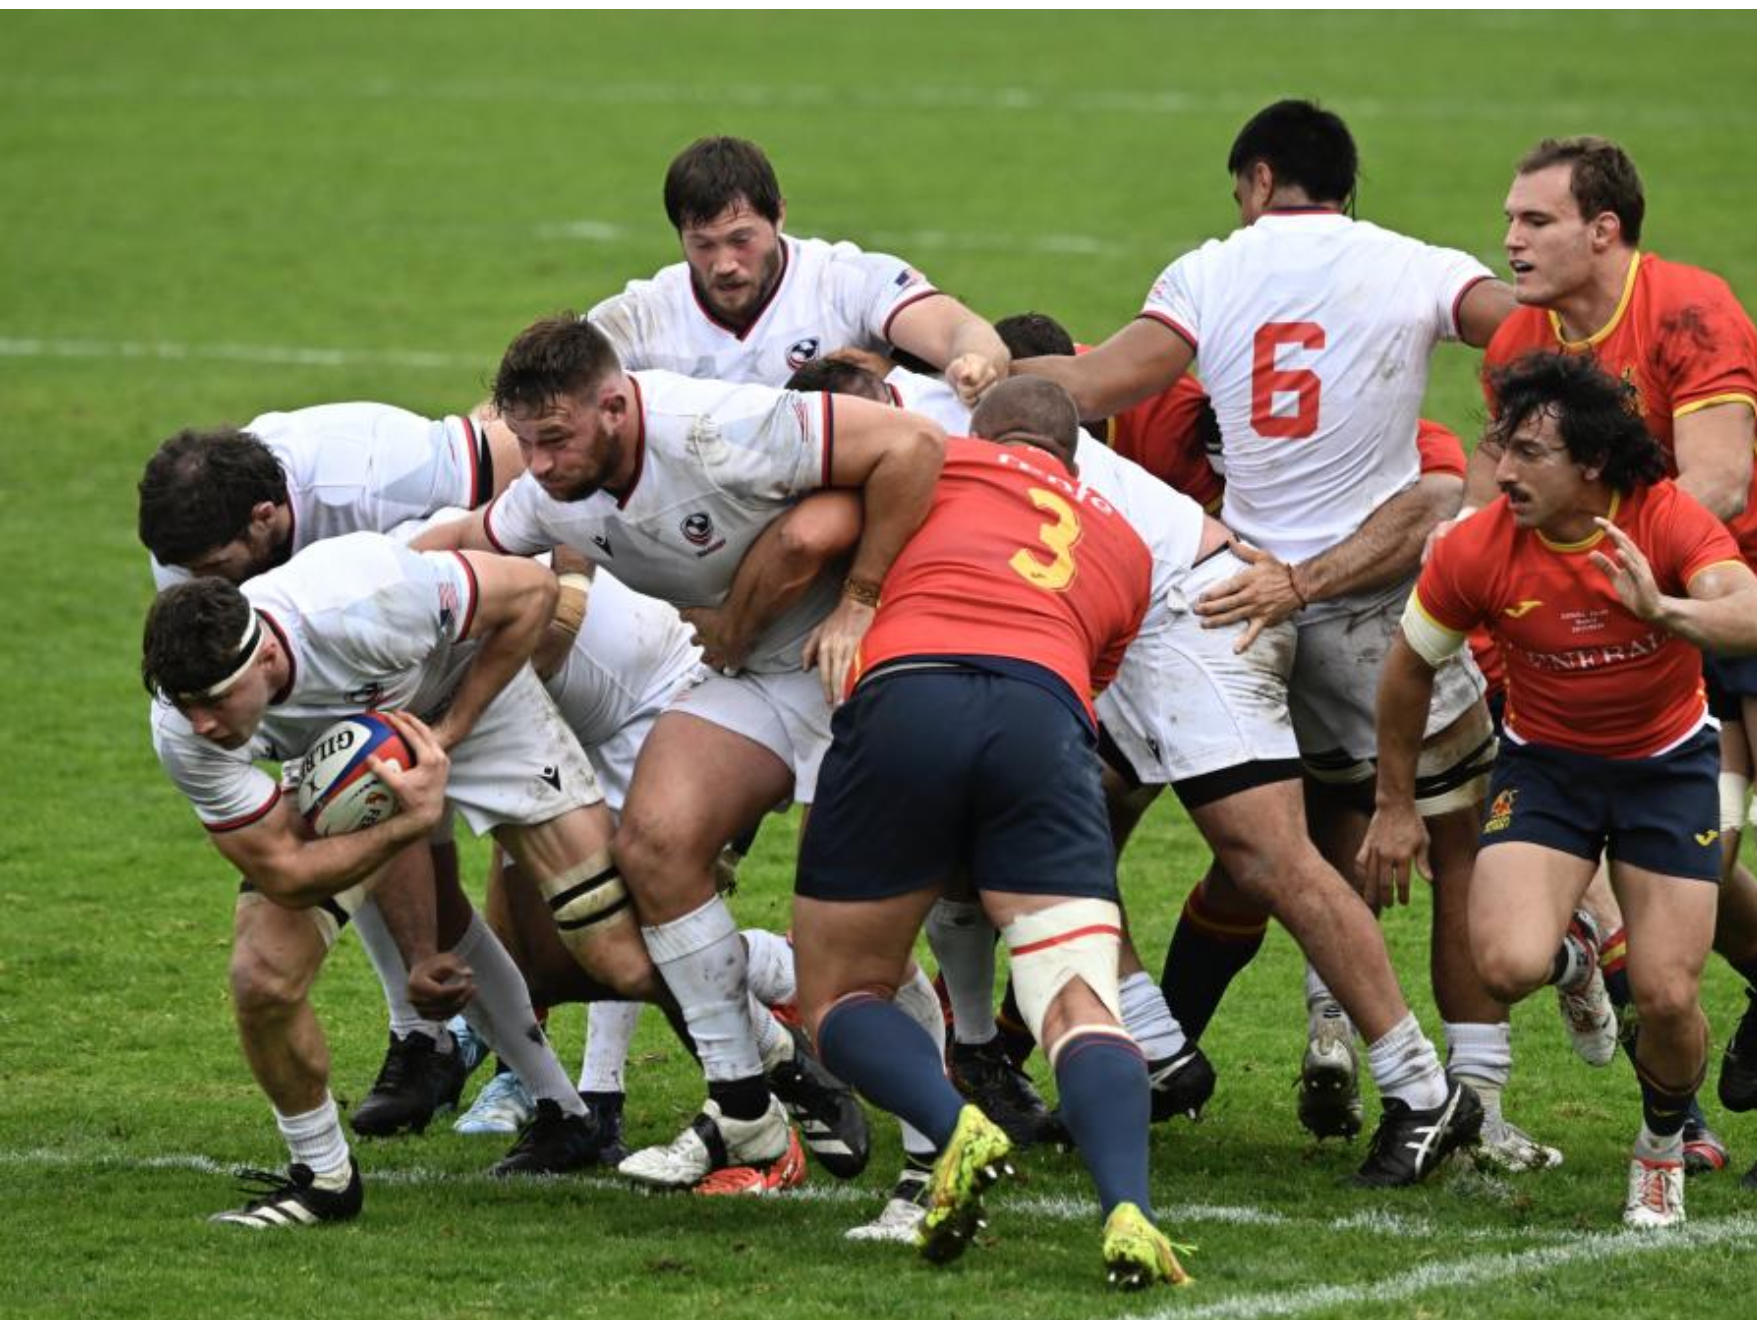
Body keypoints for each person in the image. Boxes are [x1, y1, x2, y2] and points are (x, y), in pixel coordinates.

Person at [1017, 100, 1554, 1159]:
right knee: (1450, 852)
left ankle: (1145, 1041)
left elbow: (1107, 380)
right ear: (1346, 186)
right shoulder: (1412, 264)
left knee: (1092, 808)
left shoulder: (1209, 269)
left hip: (1239, 595)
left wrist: (965, 387)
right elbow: (1528, 325)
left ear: (1258, 180)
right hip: (1376, 606)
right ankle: (1474, 1100)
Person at [415, 312, 945, 1192]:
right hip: (758, 673)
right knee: (654, 847)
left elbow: (913, 446)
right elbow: (471, 540)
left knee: (859, 926)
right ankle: (745, 1107)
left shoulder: (716, 428)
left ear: (617, 406)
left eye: (554, 439)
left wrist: (858, 598)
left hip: (872, 659)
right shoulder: (552, 489)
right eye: (526, 444)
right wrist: (361, 587)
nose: (538, 464)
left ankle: (936, 1152)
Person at [1480, 136, 1757, 1189]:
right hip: (1646, 601)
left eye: (1534, 221)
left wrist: (1586, 573)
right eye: (1510, 219)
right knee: (1688, 860)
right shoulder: (1521, 340)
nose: (1509, 238)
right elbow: (1517, 482)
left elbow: (1719, 486)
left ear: (1603, 231)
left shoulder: (1692, 309)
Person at [144, 533, 679, 1226]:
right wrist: (409, 832)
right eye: (183, 704)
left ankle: (769, 1058)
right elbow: (285, 868)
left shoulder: (364, 597)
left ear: (268, 656)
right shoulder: (185, 728)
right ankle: (326, 1177)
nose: (202, 723)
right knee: (263, 978)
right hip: (358, 748)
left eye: (212, 700)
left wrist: (452, 729)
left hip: (466, 694)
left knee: (614, 948)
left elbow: (530, 590)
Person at [1363, 350, 1757, 1228]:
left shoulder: (1663, 521)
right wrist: (1394, 803)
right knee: (1507, 963)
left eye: (1528, 454)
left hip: (1666, 773)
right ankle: (1576, 958)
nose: (1502, 472)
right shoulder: (1477, 548)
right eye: (1500, 449)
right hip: (1548, 769)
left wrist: (1665, 612)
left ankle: (1661, 1145)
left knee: (1668, 997)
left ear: (1590, 463)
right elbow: (1406, 672)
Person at [794, 378, 1190, 1289]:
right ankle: (1128, 1206)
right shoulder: (1125, 543)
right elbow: (1092, 670)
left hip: (911, 692)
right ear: (1075, 455)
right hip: (1043, 719)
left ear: (980, 433)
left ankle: (953, 1119)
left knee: (842, 990)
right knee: (1077, 1000)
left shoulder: (933, 461)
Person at [138, 407, 525, 1138]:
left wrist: (558, 590)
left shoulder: (372, 467)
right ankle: (423, 1037)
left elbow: (521, 464)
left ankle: (573, 1087)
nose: (194, 582)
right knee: (352, 803)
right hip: (337, 672)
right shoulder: (189, 549)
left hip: (479, 626)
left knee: (572, 884)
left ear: (265, 519)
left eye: (212, 569)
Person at [587, 135, 1007, 401]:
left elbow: (957, 328)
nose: (724, 265)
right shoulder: (641, 316)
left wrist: (974, 362)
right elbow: (545, 393)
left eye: (741, 239)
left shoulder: (843, 279)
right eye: (702, 245)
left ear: (779, 217)